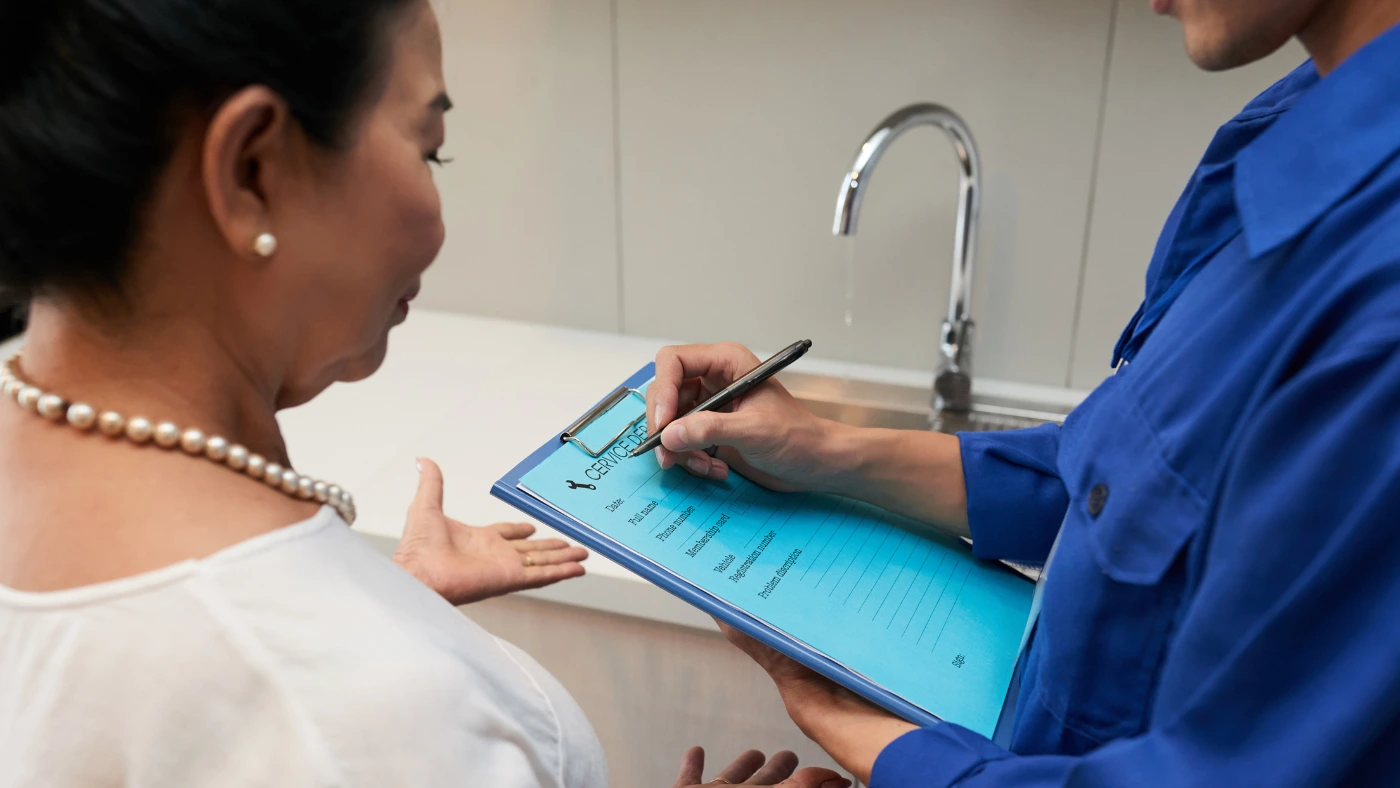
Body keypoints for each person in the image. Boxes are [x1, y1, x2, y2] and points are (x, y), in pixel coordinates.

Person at [0, 2, 850, 786]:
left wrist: (385, 596)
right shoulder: (372, 716)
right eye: (427, 147)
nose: (438, 214)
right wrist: (360, 634)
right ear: (253, 167)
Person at [645, 0, 1400, 785]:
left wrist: (848, 722)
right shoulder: (1291, 136)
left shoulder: (1378, 301)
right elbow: (1124, 486)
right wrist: (825, 449)